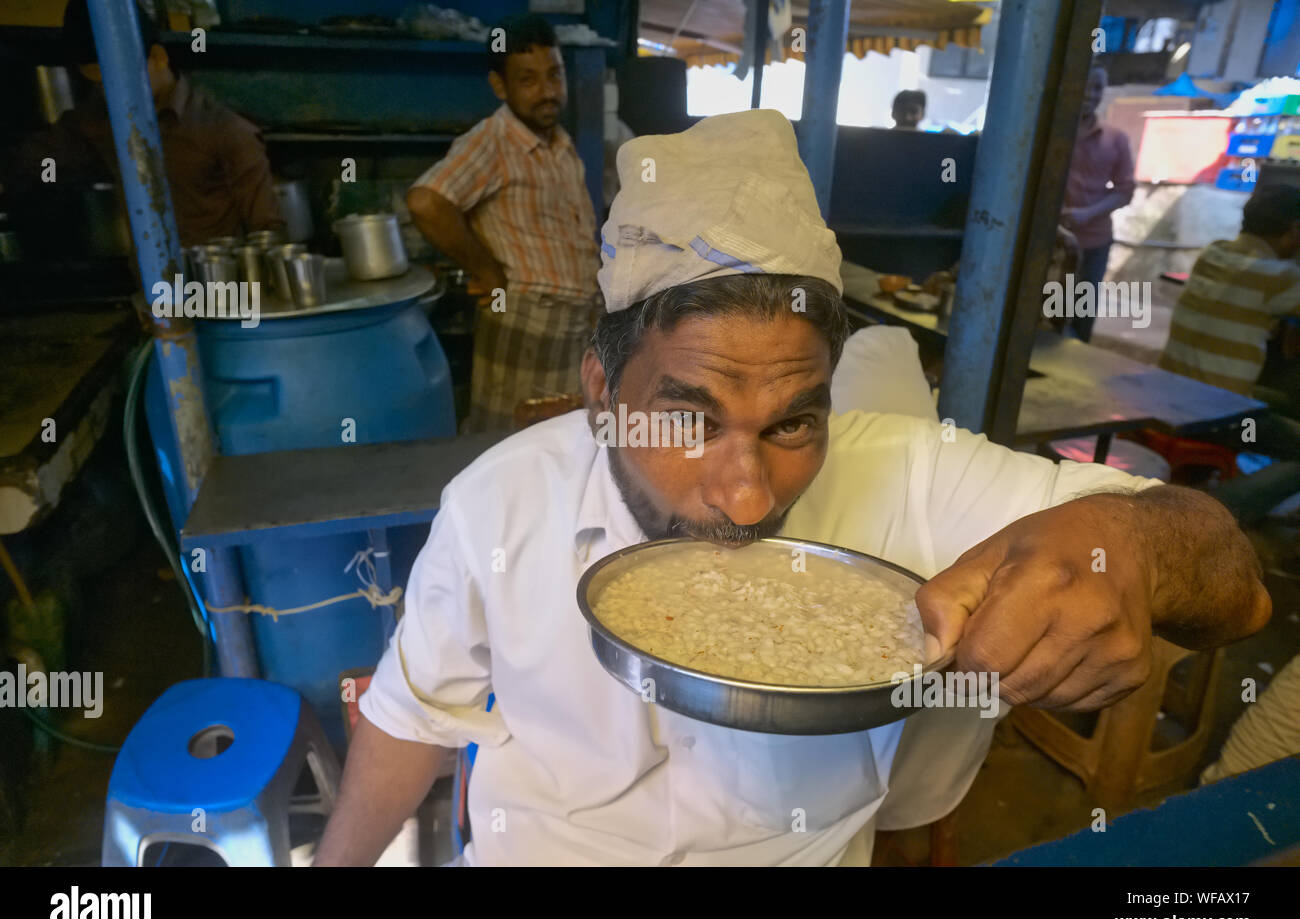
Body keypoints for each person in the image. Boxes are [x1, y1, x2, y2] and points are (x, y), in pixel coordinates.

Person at [316, 110, 1270, 867]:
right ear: (602, 391)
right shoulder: (500, 502)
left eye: (791, 424)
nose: (744, 498)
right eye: (689, 422)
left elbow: (1237, 586)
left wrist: (1129, 543)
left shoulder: (910, 471)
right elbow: (412, 714)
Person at [407, 14, 601, 433]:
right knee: (506, 447)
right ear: (501, 86)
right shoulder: (492, 141)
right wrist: (488, 271)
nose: (547, 92)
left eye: (555, 75)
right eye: (528, 80)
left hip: (574, 328)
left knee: (561, 449)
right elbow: (426, 202)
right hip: (523, 326)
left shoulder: (561, 144)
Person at [5, 0, 284, 248]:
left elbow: (269, 235)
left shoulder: (227, 131)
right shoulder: (98, 120)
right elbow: (37, 159)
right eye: (100, 85)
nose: (112, 95)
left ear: (158, 58)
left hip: (219, 294)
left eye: (120, 81)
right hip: (150, 298)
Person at [1157, 183, 1300, 527]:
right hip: (1218, 412)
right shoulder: (1281, 277)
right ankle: (1214, 515)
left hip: (1168, 391)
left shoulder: (1213, 254)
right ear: (1293, 231)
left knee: (1284, 401)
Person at [1060, 65, 1135, 341]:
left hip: (1093, 241)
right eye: (1085, 86)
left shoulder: (1116, 139)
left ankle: (1070, 378)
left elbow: (1125, 190)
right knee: (1045, 309)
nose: (1090, 95)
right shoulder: (1049, 132)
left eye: (1097, 88)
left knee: (1081, 314)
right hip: (1048, 241)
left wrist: (1086, 214)